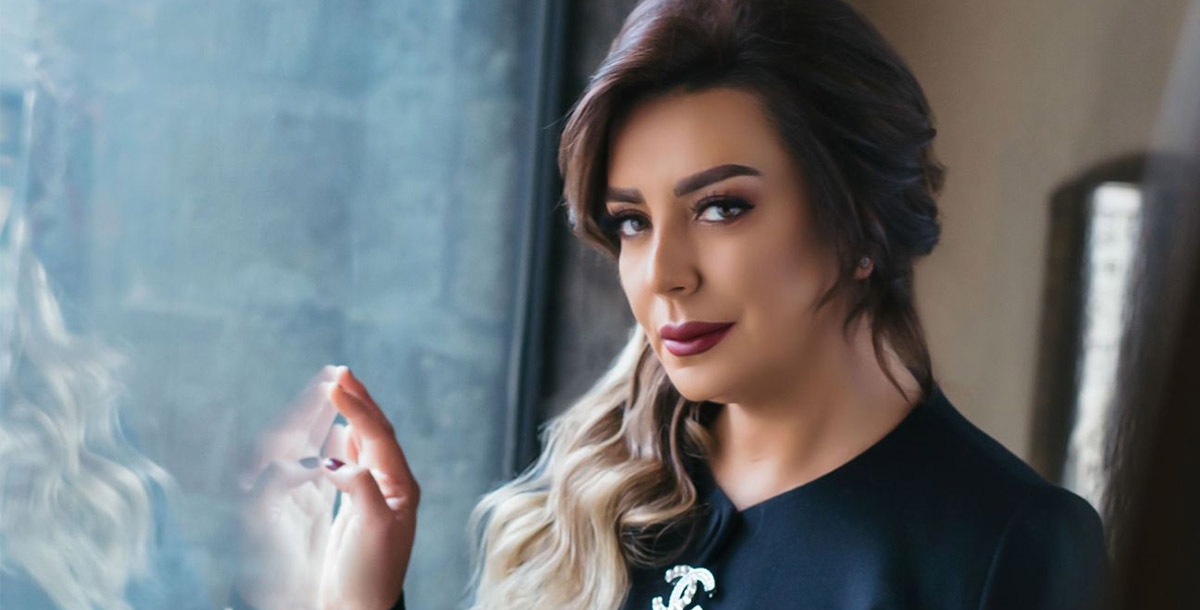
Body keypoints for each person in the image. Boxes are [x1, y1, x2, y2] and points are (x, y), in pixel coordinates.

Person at [295, 0, 1109, 608]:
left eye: (722, 208)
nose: (663, 274)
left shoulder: (1010, 545)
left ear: (861, 222)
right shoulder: (589, 498)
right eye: (632, 222)